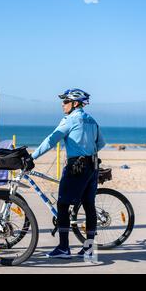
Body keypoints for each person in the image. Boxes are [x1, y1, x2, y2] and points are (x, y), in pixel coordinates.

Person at [30, 89, 106, 260]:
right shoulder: (91, 120)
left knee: (63, 205)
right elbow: (101, 143)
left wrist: (32, 157)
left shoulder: (71, 120)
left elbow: (51, 139)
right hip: (92, 166)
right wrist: (86, 152)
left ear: (75, 103)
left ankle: (64, 248)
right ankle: (89, 249)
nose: (62, 104)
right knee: (89, 206)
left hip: (76, 167)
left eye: (65, 101)